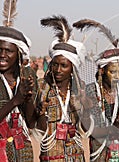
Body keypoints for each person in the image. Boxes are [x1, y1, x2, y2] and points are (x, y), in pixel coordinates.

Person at [72, 18, 119, 162]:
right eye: (113, 72)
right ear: (101, 71)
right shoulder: (90, 92)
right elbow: (87, 130)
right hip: (100, 155)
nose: (117, 76)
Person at [34, 15, 89, 161]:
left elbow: (85, 128)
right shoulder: (41, 87)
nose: (58, 70)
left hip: (76, 156)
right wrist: (41, 113)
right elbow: (39, 131)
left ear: (72, 68)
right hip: (51, 156)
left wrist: (87, 108)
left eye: (64, 65)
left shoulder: (80, 89)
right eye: (55, 64)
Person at [0, 0, 37, 161]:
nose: (2, 55)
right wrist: (15, 100)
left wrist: (27, 99)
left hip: (22, 150)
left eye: (8, 51)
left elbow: (31, 123)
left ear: (18, 55)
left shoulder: (25, 77)